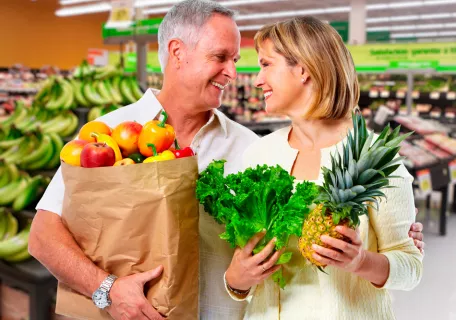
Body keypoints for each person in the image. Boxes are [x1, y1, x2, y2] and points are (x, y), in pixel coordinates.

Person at [28, 1, 424, 319]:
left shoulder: (248, 146)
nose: (236, 74)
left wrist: (376, 255)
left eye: (242, 60)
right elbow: (43, 234)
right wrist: (107, 291)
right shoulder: (105, 134)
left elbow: (398, 259)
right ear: (177, 53)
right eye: (221, 57)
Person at [224, 17, 423, 319]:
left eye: (266, 65)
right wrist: (236, 281)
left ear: (303, 69)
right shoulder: (258, 154)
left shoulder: (376, 160)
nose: (256, 80)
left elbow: (411, 268)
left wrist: (360, 261)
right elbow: (243, 270)